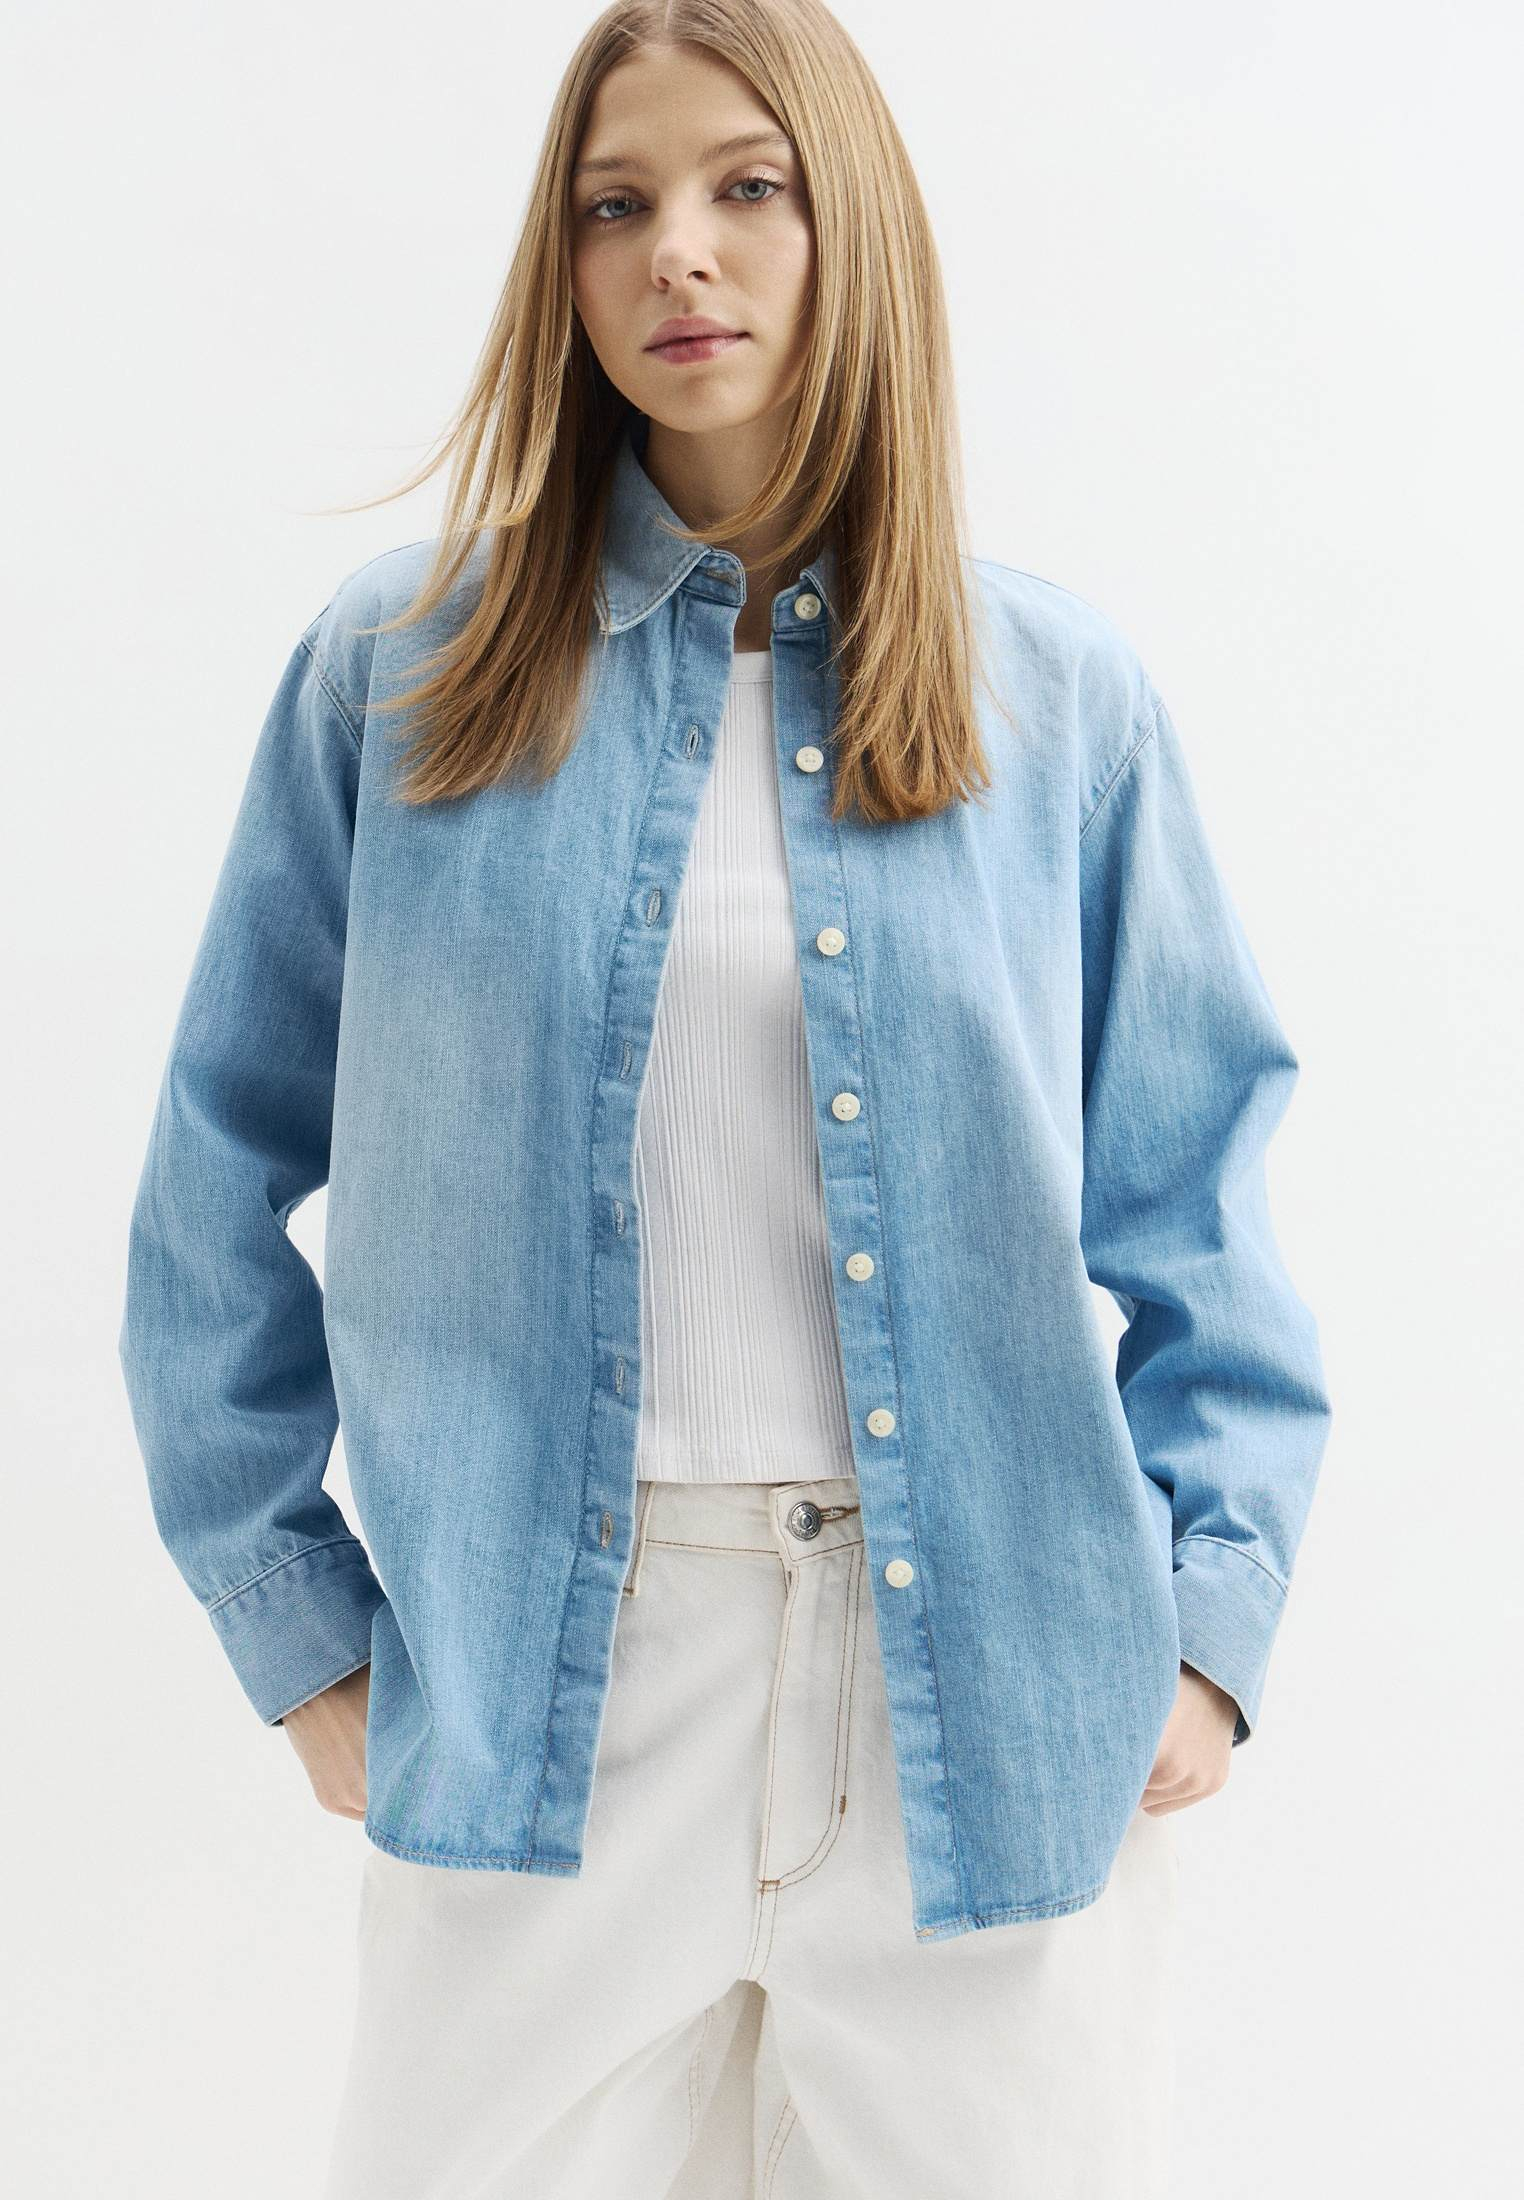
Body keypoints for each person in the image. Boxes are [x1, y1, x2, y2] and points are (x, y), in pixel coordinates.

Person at [117, 2, 1332, 2194]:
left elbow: (1201, 1190)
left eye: (745, 187)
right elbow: (216, 1168)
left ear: (847, 222)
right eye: (619, 204)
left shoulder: (1055, 697)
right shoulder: (402, 673)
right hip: (550, 1687)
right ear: (565, 267)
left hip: (988, 1683)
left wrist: (1208, 1633)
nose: (679, 250)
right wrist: (296, 1632)